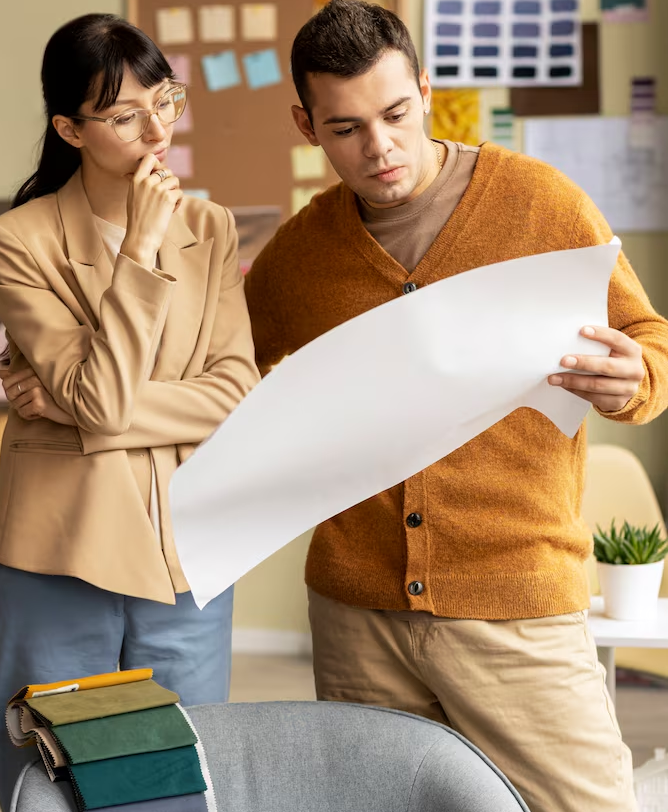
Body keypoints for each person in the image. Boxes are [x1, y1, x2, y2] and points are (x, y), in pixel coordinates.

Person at [244, 2, 668, 811]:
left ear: (426, 90)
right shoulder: (301, 253)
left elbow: (649, 338)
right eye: (346, 128)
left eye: (396, 114)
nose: (379, 148)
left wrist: (637, 377)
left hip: (517, 601)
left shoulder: (540, 204)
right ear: (307, 125)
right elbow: (223, 371)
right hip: (355, 614)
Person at [0, 14, 259, 810]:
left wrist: (76, 418)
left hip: (187, 551)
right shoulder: (16, 240)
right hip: (58, 552)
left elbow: (234, 391)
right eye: (124, 114)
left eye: (165, 102)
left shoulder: (210, 228)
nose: (156, 130)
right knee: (55, 781)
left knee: (179, 778)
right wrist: (138, 249)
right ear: (70, 128)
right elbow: (105, 394)